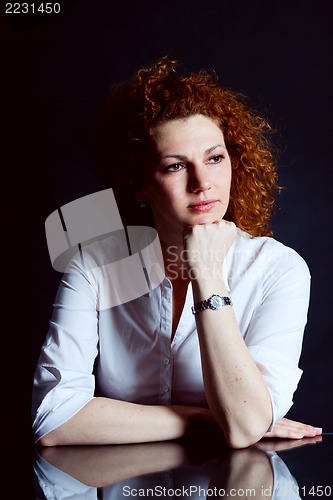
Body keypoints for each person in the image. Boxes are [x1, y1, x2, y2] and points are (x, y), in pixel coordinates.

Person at [32, 56, 322, 449]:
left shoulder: (279, 269)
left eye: (215, 158)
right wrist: (206, 418)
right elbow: (52, 419)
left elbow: (243, 427)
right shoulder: (94, 266)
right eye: (175, 167)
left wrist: (208, 274)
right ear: (138, 183)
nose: (203, 182)